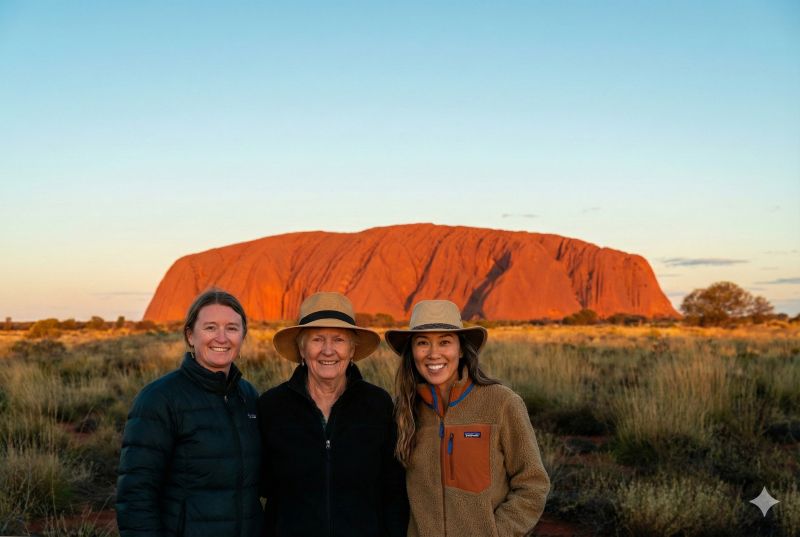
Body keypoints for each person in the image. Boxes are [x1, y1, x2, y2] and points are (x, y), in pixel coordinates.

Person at [386, 300, 550, 537]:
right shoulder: (403, 411)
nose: (434, 354)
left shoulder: (501, 403)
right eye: (423, 343)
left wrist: (497, 532)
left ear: (461, 349)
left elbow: (533, 484)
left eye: (445, 342)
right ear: (412, 351)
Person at [257, 291, 408, 537]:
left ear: (351, 350)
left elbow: (393, 491)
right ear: (302, 350)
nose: (328, 351)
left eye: (338, 340)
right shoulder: (272, 407)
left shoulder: (378, 405)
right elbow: (261, 487)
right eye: (317, 340)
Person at [116, 289, 263, 537]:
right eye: (210, 327)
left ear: (243, 336)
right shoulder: (159, 399)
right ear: (190, 335)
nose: (221, 338)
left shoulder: (247, 395)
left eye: (232, 328)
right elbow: (136, 494)